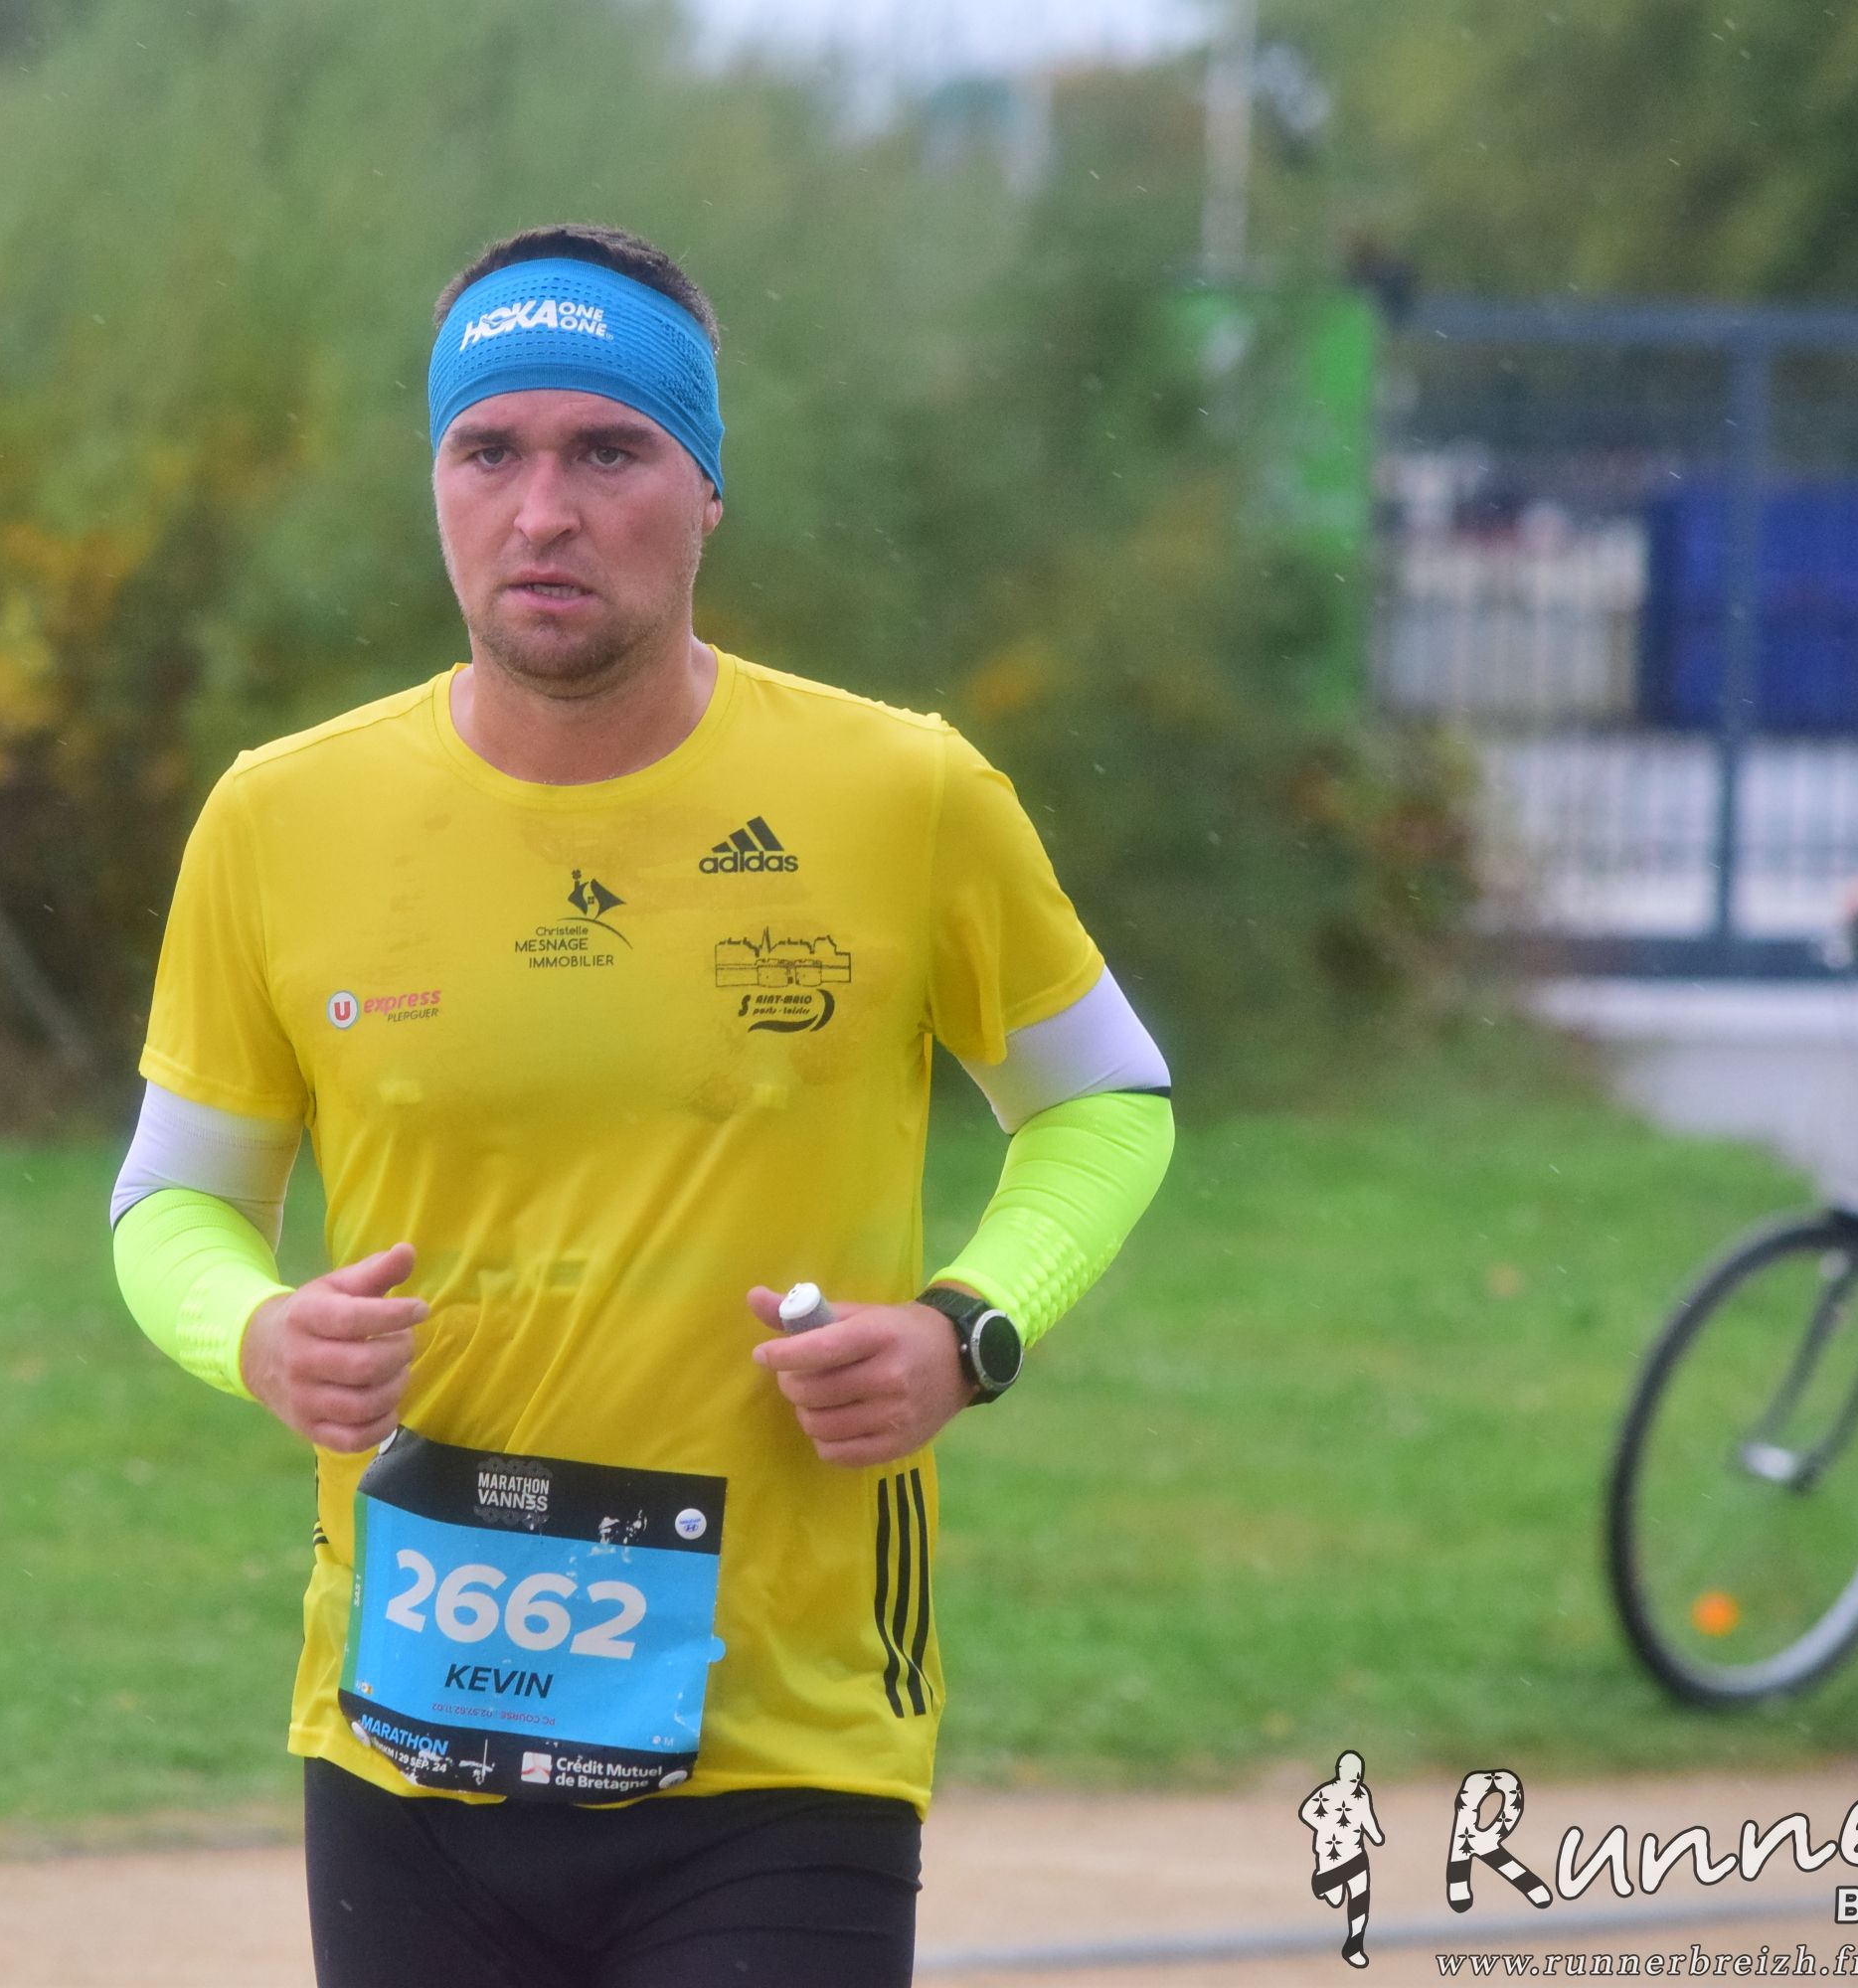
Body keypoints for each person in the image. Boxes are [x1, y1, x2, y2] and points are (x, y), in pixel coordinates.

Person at [108, 222, 1176, 1988]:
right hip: (407, 1740)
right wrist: (257, 1334)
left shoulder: (903, 794)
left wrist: (969, 1328)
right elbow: (171, 1201)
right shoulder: (278, 820)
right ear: (436, 482)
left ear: (706, 489)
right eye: (488, 451)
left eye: (608, 451)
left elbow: (1107, 1101)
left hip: (785, 1748)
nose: (543, 510)